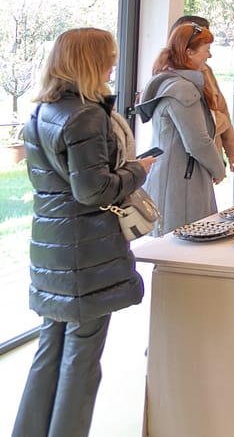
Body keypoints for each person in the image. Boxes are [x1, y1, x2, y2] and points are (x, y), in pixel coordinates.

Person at [14, 28, 157, 437]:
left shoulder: (42, 111)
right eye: (108, 57)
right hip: (86, 252)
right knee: (81, 359)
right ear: (89, 62)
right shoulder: (86, 115)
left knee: (50, 351)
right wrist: (137, 170)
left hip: (52, 248)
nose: (114, 63)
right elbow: (93, 190)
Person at [137, 23, 226, 234]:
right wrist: (218, 168)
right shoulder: (183, 89)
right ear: (189, 52)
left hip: (174, 176)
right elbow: (197, 141)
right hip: (182, 182)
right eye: (206, 49)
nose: (209, 55)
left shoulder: (170, 82)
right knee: (181, 248)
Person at [170, 15, 234, 175]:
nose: (209, 55)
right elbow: (200, 128)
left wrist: (233, 151)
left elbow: (222, 110)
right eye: (206, 48)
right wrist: (218, 120)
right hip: (186, 165)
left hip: (211, 157)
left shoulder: (206, 71)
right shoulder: (174, 81)